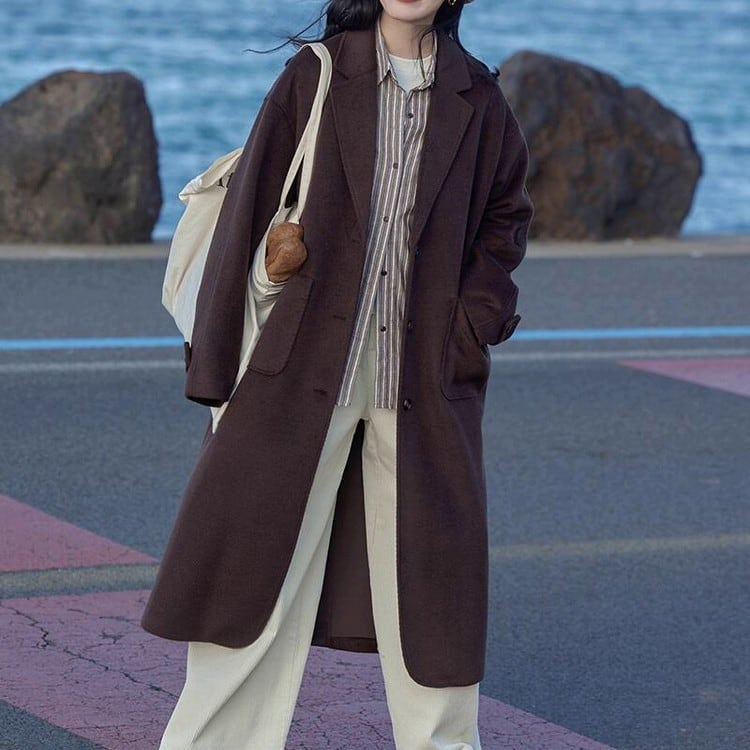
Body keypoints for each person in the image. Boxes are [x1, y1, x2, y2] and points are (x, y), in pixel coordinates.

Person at [141, 0, 533, 747]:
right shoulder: (315, 75)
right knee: (251, 581)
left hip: (422, 382)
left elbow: (505, 218)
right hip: (298, 370)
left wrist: (472, 324)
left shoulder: (479, 97)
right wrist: (217, 360)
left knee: (435, 594)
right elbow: (248, 208)